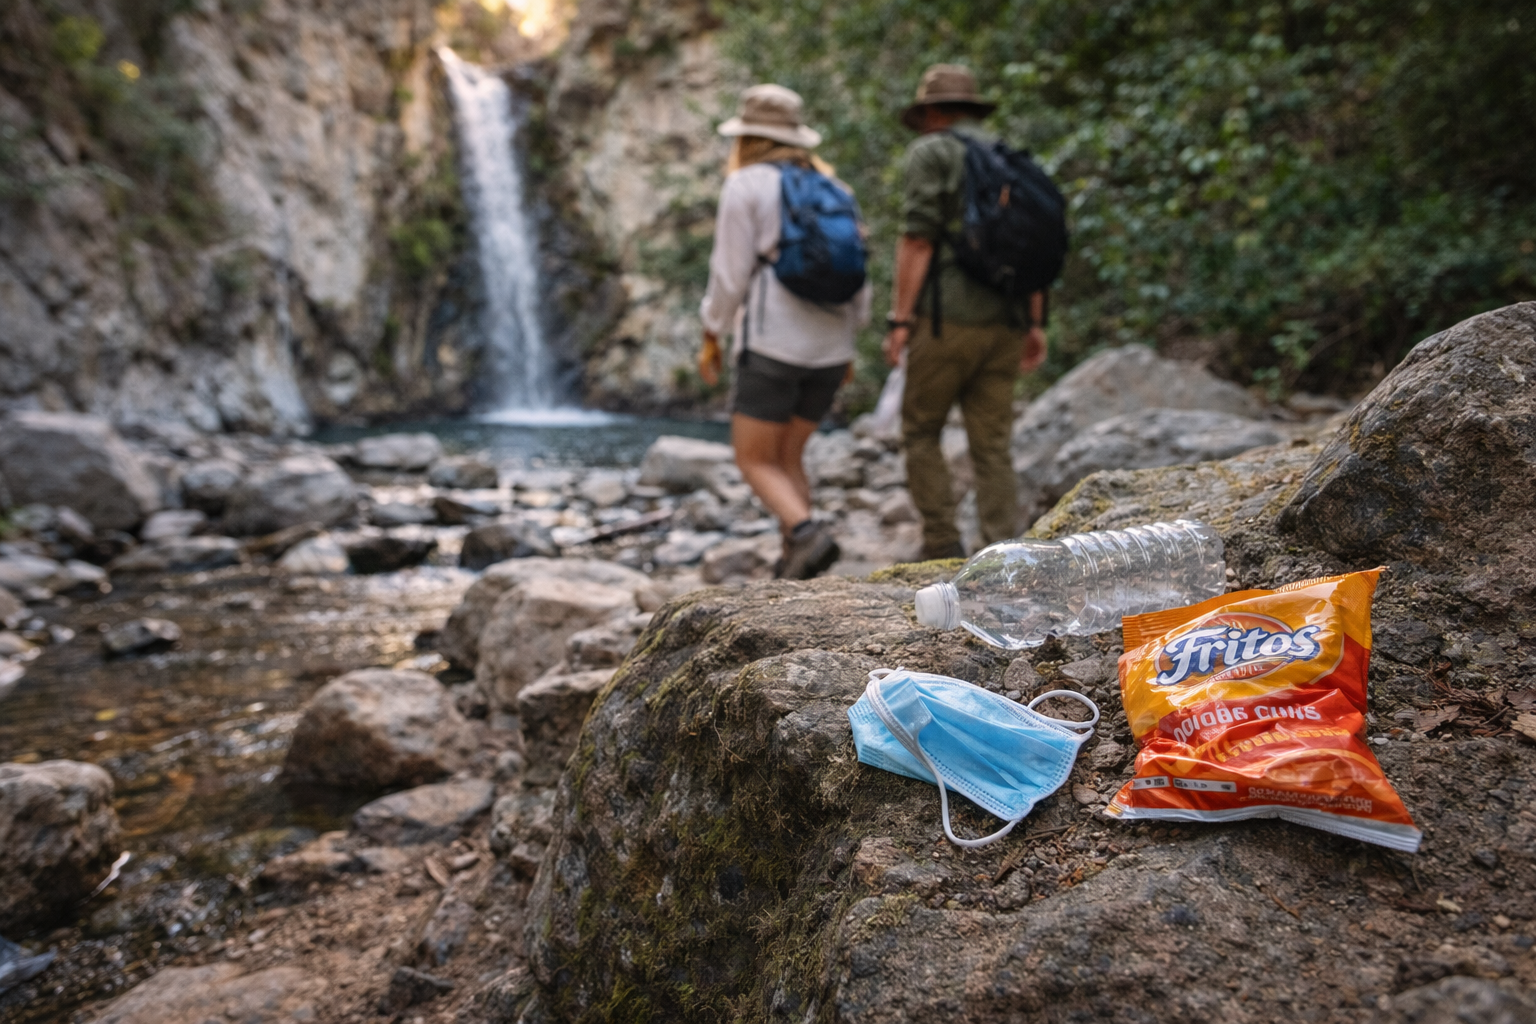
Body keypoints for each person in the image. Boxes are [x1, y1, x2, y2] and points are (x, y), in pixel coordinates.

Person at [697, 84, 872, 579]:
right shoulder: (837, 190)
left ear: (747, 138)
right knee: (788, 455)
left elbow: (729, 275)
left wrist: (712, 330)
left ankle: (805, 532)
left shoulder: (746, 184)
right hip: (831, 346)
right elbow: (861, 274)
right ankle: (797, 563)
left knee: (753, 460)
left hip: (773, 343)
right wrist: (852, 339)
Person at [882, 64, 1048, 561]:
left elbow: (918, 238)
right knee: (993, 443)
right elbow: (1032, 245)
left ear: (932, 111)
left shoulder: (932, 152)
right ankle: (1000, 550)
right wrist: (1035, 322)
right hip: (1009, 321)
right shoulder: (1011, 158)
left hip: (946, 318)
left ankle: (941, 543)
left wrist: (900, 320)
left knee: (920, 430)